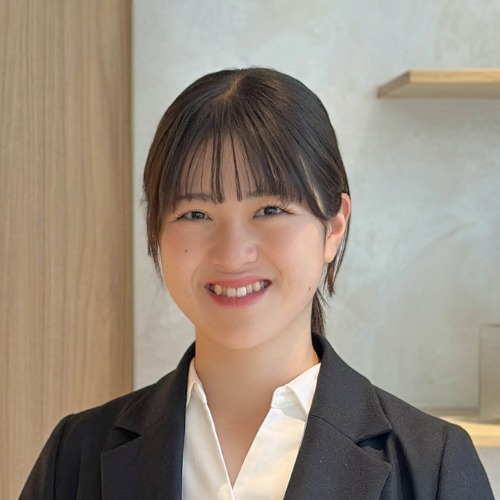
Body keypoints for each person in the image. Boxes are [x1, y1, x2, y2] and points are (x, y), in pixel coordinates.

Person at [21, 68, 493, 500]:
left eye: (270, 210)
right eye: (195, 214)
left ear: (333, 227)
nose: (232, 253)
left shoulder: (433, 466)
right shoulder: (74, 457)